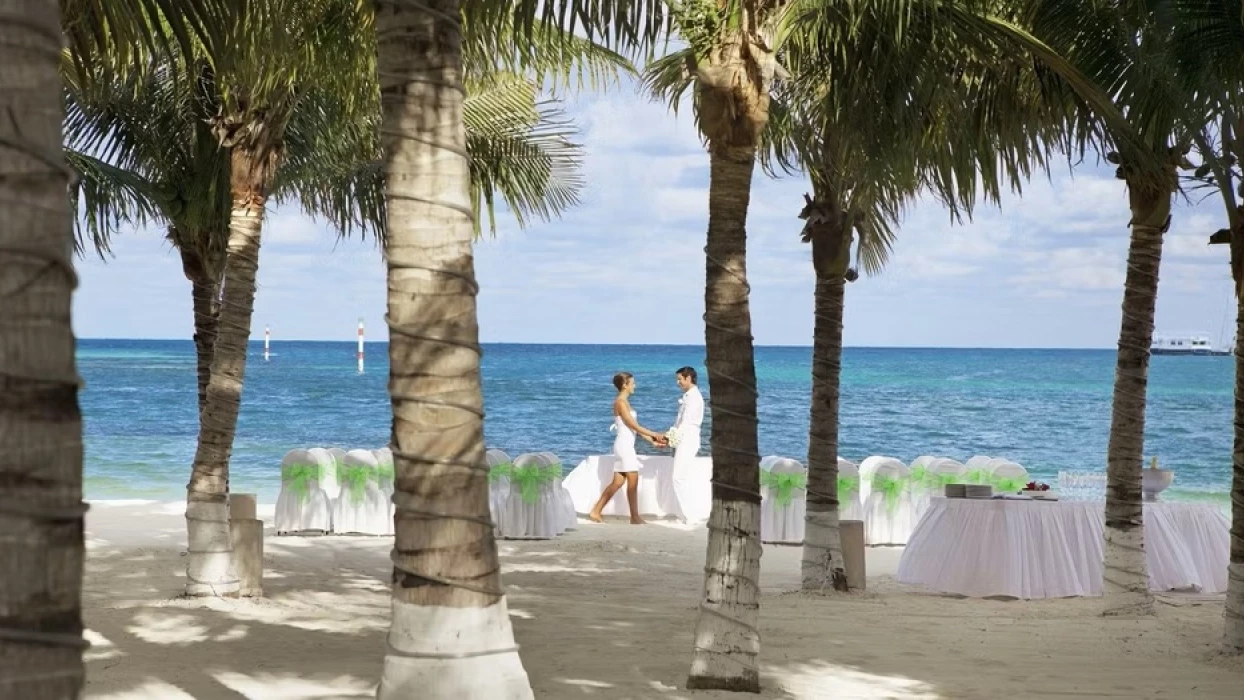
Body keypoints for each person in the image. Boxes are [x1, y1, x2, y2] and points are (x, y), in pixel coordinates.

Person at [588, 372, 665, 524]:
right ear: (625, 385)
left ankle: (596, 511)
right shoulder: (620, 403)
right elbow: (633, 425)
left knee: (617, 482)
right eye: (632, 383)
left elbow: (634, 429)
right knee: (633, 480)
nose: (634, 386)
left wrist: (652, 441)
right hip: (623, 446)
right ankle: (634, 517)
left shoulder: (625, 402)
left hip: (626, 445)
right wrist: (655, 434)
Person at [667, 366, 706, 523]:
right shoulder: (689, 396)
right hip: (685, 438)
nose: (678, 382)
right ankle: (685, 513)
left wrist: (671, 437)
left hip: (688, 439)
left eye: (680, 379)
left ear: (689, 378)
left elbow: (686, 422)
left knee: (678, 477)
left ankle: (690, 515)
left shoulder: (694, 397)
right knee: (681, 476)